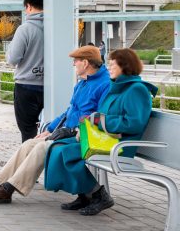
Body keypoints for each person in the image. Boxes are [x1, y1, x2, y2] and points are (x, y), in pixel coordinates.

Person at [0, 45, 111, 204]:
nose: (73, 64)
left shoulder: (104, 84)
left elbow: (98, 116)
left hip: (81, 135)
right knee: (29, 144)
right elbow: (68, 112)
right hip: (67, 132)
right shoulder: (82, 83)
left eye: (75, 61)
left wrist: (71, 130)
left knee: (42, 147)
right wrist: (49, 129)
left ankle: (9, 188)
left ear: (85, 63)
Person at [44, 48, 157, 216]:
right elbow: (102, 115)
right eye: (109, 63)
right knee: (57, 146)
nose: (109, 67)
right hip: (108, 139)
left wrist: (99, 120)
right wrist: (92, 122)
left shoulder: (136, 90)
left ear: (125, 66)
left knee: (65, 151)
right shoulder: (118, 87)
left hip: (120, 145)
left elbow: (134, 123)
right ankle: (84, 195)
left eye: (113, 64)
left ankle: (99, 195)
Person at [6, 0, 45, 142]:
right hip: (50, 87)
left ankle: (29, 163)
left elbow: (13, 58)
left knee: (28, 131)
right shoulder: (55, 28)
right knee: (48, 131)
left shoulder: (25, 29)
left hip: (26, 86)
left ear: (28, 6)